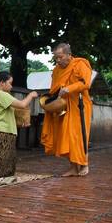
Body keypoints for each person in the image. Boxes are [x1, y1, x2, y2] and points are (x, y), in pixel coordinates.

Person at [41, 43, 92, 177]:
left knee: (79, 135)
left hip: (79, 105)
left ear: (69, 55)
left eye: (60, 57)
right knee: (66, 137)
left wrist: (69, 88)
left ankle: (84, 164)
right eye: (56, 58)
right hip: (63, 106)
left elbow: (85, 83)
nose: (58, 60)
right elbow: (53, 88)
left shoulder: (80, 64)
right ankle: (74, 167)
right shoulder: (56, 70)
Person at [0, 71, 38, 177]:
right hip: (0, 131)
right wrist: (31, 95)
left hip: (4, 131)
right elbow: (22, 104)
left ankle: (2, 177)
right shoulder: (0, 94)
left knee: (6, 160)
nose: (11, 86)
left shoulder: (0, 94)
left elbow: (10, 113)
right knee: (0, 160)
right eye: (10, 83)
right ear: (2, 83)